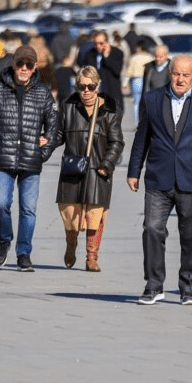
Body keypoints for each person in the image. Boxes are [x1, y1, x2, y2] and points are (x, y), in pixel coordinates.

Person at [126, 56, 192, 305]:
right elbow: (142, 138)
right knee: (151, 229)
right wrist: (133, 170)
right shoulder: (152, 99)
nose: (180, 79)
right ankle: (153, 285)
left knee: (191, 235)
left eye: (186, 75)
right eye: (176, 74)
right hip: (159, 177)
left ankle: (188, 288)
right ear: (170, 73)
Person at [0, 46, 60, 272]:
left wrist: (44, 150)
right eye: (20, 64)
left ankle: (24, 252)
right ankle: (4, 239)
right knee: (2, 204)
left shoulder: (42, 92)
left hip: (30, 159)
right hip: (3, 157)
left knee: (28, 209)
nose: (24, 69)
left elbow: (53, 125)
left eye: (28, 64)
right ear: (13, 65)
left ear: (35, 66)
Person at [56, 66, 124, 271]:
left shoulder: (110, 110)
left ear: (98, 86)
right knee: (70, 215)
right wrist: (45, 142)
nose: (86, 91)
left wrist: (107, 164)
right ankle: (71, 244)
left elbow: (117, 142)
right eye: (81, 86)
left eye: (90, 86)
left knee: (95, 214)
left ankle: (91, 257)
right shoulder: (68, 106)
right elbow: (59, 134)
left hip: (97, 169)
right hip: (72, 169)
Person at [81, 29, 124, 111]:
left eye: (101, 43)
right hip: (96, 94)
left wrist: (106, 56)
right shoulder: (90, 54)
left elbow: (117, 70)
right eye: (96, 43)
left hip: (112, 93)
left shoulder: (117, 53)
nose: (98, 46)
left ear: (107, 42)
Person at [139, 43, 171, 116]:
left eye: (160, 57)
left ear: (166, 56)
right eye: (156, 56)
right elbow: (145, 88)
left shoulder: (172, 67)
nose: (157, 59)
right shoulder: (149, 67)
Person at [124, 41, 153, 116]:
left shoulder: (133, 58)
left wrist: (125, 83)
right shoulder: (150, 57)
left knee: (136, 101)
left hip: (136, 80)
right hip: (147, 80)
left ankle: (137, 120)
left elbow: (128, 72)